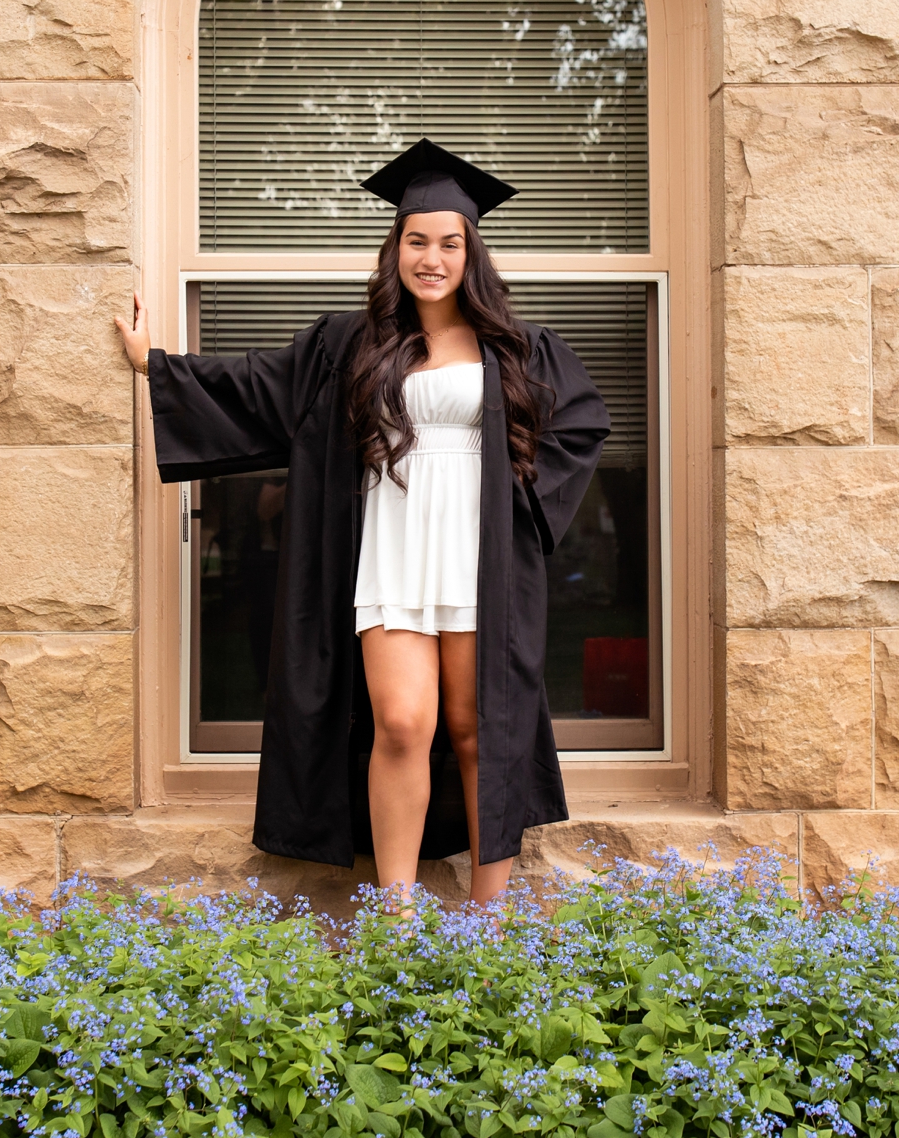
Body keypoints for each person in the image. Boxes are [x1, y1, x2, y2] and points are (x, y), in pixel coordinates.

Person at [113, 140, 610, 907]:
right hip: (393, 547)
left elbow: (579, 426)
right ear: (396, 248)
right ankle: (398, 915)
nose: (432, 257)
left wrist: (520, 510)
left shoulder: (517, 349)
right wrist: (158, 364)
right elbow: (259, 386)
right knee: (404, 722)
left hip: (479, 553)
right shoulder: (351, 344)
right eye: (417, 240)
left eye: (450, 242)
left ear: (471, 252)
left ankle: (489, 920)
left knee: (481, 728)